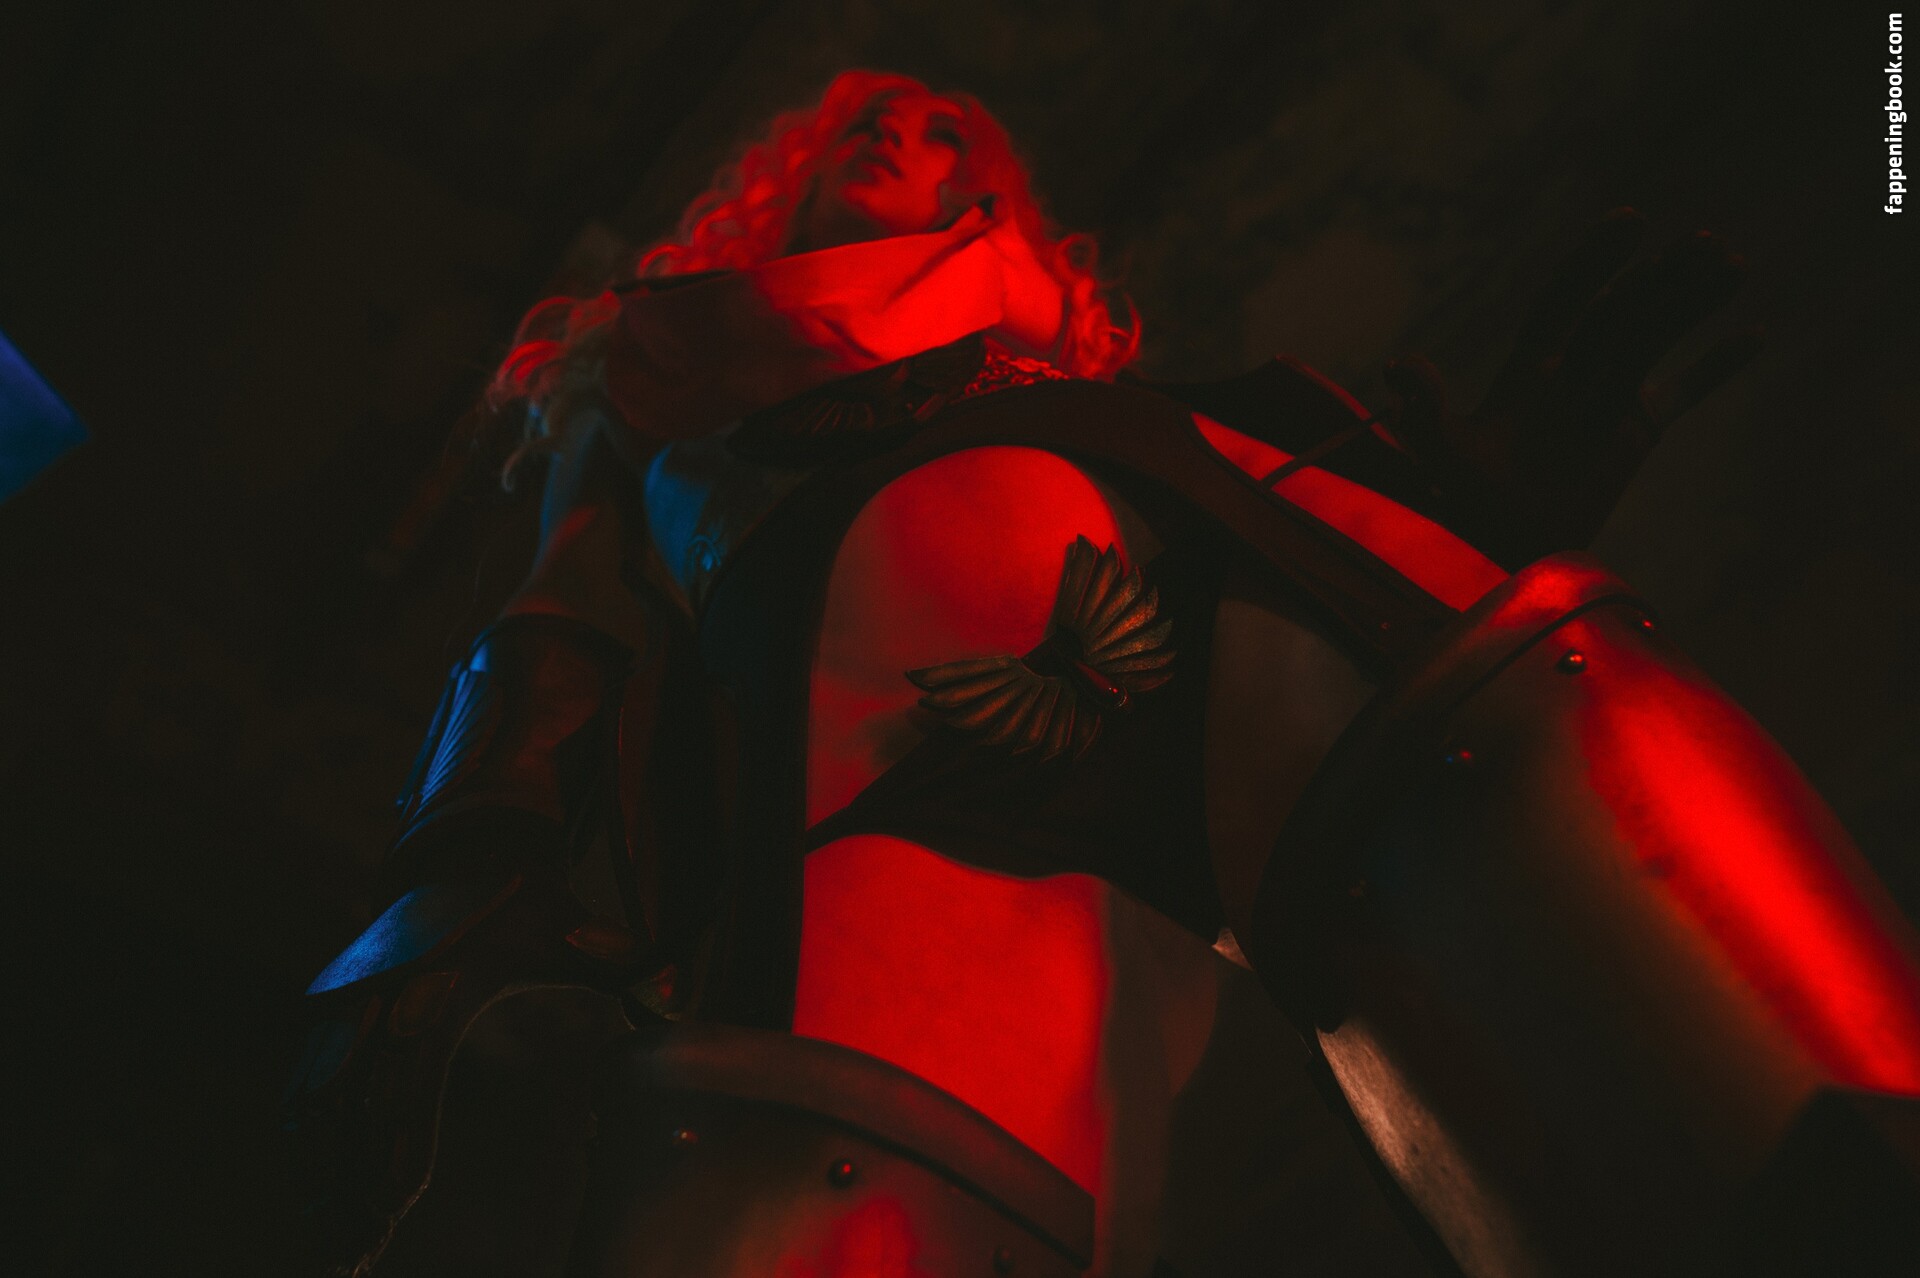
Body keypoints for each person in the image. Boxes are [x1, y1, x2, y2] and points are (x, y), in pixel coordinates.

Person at [292, 70, 1920, 1278]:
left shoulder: (1064, 375)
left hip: (1186, 717)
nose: (902, 134)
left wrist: (1454, 507)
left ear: (991, 204)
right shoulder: (650, 374)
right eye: (868, 122)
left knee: (1543, 727)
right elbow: (562, 610)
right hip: (856, 771)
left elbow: (1287, 538)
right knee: (866, 1177)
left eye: (946, 134)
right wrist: (456, 874)